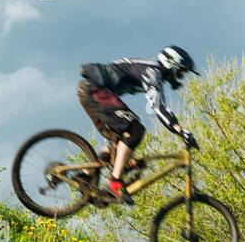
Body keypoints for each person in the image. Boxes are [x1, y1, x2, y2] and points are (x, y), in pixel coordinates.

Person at [76, 45, 199, 205]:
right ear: (171, 63)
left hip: (91, 92)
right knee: (136, 130)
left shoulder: (149, 70)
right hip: (96, 92)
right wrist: (181, 131)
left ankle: (85, 176)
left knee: (120, 142)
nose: (181, 76)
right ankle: (114, 182)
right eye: (181, 71)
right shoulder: (153, 73)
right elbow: (159, 108)